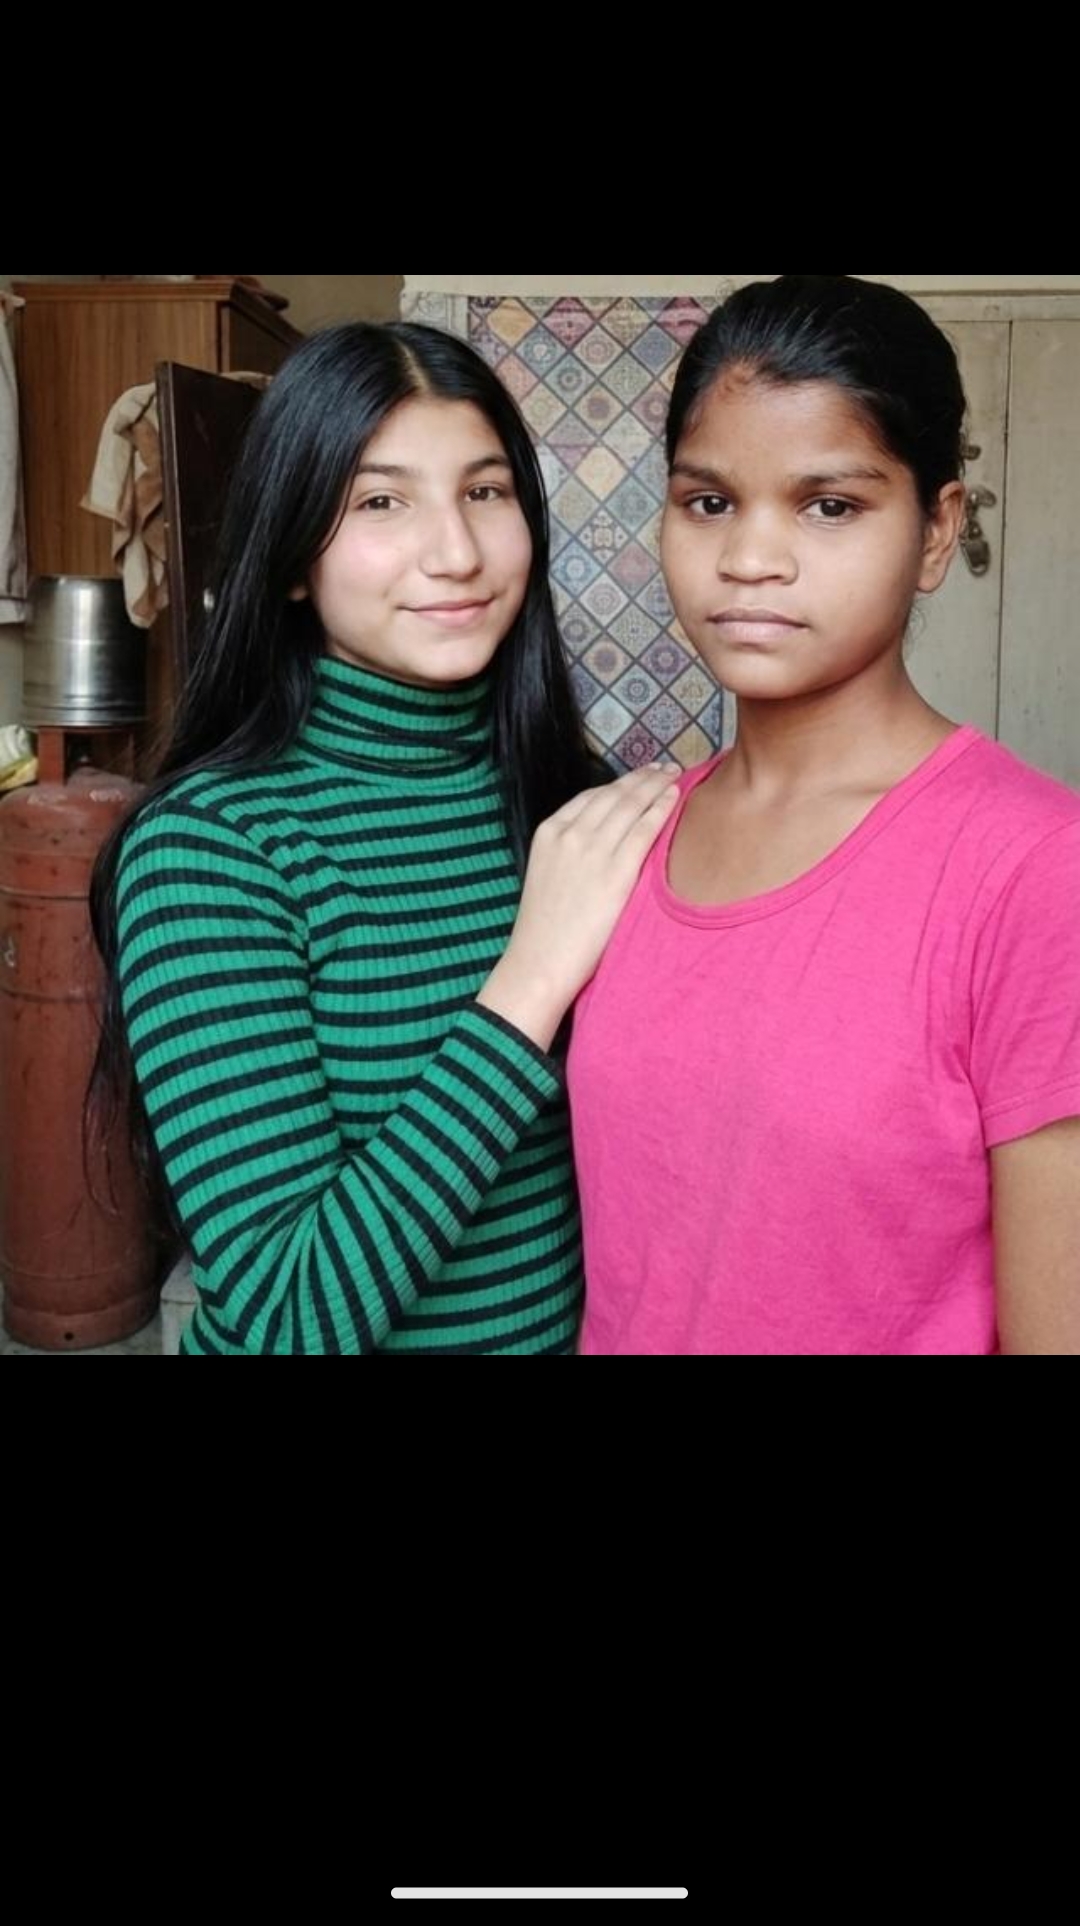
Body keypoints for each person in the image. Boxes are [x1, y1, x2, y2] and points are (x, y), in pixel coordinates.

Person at [87, 322, 680, 1353]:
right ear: (291, 560)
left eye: (485, 491)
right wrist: (529, 983)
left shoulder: (572, 804)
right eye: (380, 502)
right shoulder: (210, 850)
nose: (455, 554)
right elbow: (284, 1317)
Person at [567, 275, 1080, 1355]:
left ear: (936, 532)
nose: (750, 560)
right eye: (710, 502)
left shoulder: (1035, 870)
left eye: (830, 505)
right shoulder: (623, 841)